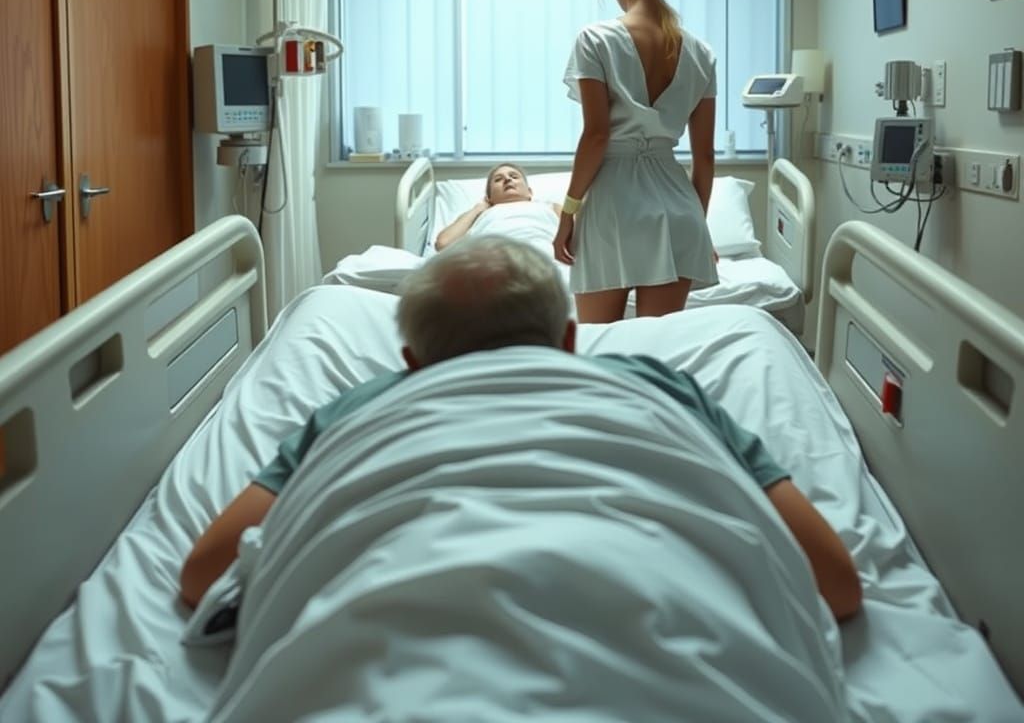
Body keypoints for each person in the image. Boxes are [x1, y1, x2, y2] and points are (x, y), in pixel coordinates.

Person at [180, 236, 861, 625]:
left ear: (412, 363)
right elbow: (835, 583)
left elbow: (204, 573)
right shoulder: (658, 387)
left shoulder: (358, 410)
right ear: (569, 339)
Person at [554, 0, 717, 324]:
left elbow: (596, 137)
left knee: (599, 349)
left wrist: (567, 213)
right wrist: (698, 223)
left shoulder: (595, 40)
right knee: (655, 353)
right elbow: (706, 157)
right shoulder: (701, 53)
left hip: (614, 208)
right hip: (679, 210)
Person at [434, 162, 561, 251]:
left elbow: (578, 240)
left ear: (530, 192)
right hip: (494, 259)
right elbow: (444, 244)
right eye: (498, 179)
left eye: (514, 176)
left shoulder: (551, 207)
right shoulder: (480, 214)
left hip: (545, 256)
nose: (507, 179)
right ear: (489, 197)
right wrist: (477, 209)